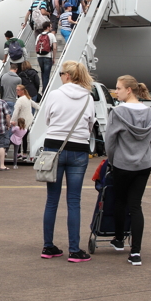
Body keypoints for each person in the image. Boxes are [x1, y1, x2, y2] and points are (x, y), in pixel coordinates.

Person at [40, 61, 96, 263]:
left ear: (67, 76)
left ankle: (48, 246)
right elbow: (90, 123)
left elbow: (47, 119)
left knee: (51, 200)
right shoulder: (87, 97)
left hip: (54, 146)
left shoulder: (54, 94)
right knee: (74, 200)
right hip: (78, 149)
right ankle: (74, 249)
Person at [103, 75, 151, 266]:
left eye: (118, 88)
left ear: (129, 90)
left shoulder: (117, 113)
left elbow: (110, 141)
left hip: (122, 164)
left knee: (119, 201)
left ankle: (119, 239)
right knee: (136, 205)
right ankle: (136, 252)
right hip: (144, 164)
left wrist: (111, 160)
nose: (115, 91)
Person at [35, 21, 57, 92]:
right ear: (47, 27)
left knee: (42, 73)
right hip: (48, 56)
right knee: (46, 75)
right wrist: (54, 57)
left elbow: (36, 46)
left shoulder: (39, 35)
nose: (51, 28)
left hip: (39, 56)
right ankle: (45, 91)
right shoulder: (51, 35)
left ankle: (43, 90)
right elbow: (54, 47)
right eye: (50, 26)